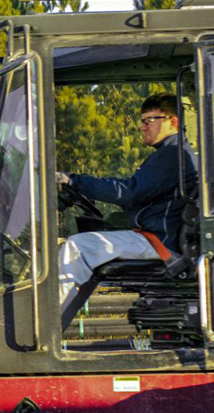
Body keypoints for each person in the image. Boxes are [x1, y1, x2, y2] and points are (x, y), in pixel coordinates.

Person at [56, 92, 197, 322]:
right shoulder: (171, 155)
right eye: (142, 121)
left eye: (148, 120)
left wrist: (75, 181)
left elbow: (129, 192)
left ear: (173, 122)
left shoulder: (173, 155)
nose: (142, 127)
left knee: (77, 247)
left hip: (160, 243)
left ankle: (47, 328)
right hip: (158, 238)